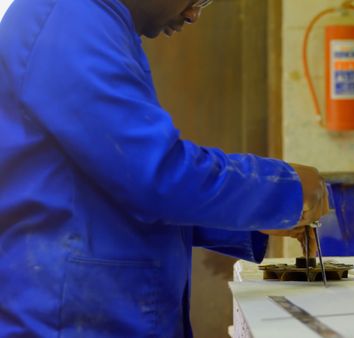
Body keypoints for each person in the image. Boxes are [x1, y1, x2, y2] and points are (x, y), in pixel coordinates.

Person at [0, 0, 328, 336]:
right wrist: (282, 188)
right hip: (67, 324)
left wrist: (254, 222)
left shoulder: (96, 22)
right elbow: (155, 178)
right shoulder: (69, 18)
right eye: (197, 0)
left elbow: (110, 190)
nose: (193, 14)